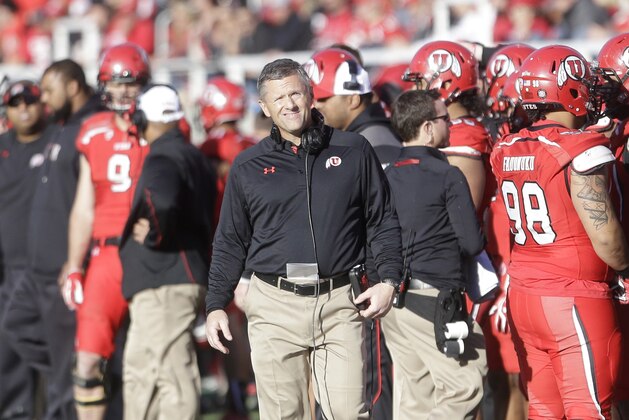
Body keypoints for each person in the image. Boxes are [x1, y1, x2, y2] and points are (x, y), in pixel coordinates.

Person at [205, 58, 403, 420]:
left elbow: (382, 220)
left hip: (340, 302)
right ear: (263, 107)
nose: (290, 104)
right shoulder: (247, 166)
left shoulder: (354, 150)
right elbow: (230, 240)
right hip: (273, 305)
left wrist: (389, 279)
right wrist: (216, 302)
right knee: (284, 416)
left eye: (295, 93)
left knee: (348, 413)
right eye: (278, 98)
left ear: (311, 96)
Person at [490, 44, 629, 419]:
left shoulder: (507, 146)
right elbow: (607, 240)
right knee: (589, 410)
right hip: (573, 299)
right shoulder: (581, 149)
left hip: (524, 294)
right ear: (567, 89)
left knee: (545, 411)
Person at [1, 60, 104, 420]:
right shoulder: (64, 129)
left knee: (63, 364)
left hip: (62, 267)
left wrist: (76, 261)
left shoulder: (79, 130)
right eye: (17, 102)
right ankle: (73, 376)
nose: (33, 104)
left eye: (41, 94)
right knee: (14, 334)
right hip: (26, 268)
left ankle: (75, 383)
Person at [304, 46, 399, 420]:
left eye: (324, 98)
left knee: (371, 392)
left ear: (354, 97)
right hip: (364, 285)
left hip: (375, 286)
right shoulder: (355, 140)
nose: (316, 106)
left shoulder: (374, 143)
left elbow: (389, 221)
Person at [381, 88, 487, 419]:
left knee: (415, 396)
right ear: (428, 128)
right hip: (434, 298)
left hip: (393, 301)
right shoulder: (446, 174)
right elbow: (472, 242)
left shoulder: (385, 174)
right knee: (465, 384)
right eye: (444, 119)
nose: (449, 124)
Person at [61, 42, 150, 419]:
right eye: (115, 82)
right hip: (105, 254)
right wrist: (73, 263)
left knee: (150, 361)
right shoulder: (93, 131)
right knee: (86, 362)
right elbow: (84, 205)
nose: (124, 90)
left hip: (150, 253)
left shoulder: (160, 126)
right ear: (103, 85)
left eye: (131, 83)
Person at [119, 84, 215, 419]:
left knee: (171, 376)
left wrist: (154, 236)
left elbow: (160, 200)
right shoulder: (191, 153)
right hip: (169, 279)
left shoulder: (163, 154)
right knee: (143, 372)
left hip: (167, 279)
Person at [0, 80, 49, 420]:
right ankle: (17, 412)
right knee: (9, 349)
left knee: (52, 347)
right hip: (8, 266)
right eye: (16, 104)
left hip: (49, 266)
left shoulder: (57, 143)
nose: (24, 109)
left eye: (29, 102)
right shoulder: (1, 149)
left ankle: (54, 408)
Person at [304, 47, 401, 166]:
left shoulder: (377, 146)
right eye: (313, 99)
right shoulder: (360, 140)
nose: (316, 105)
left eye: (323, 99)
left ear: (353, 100)